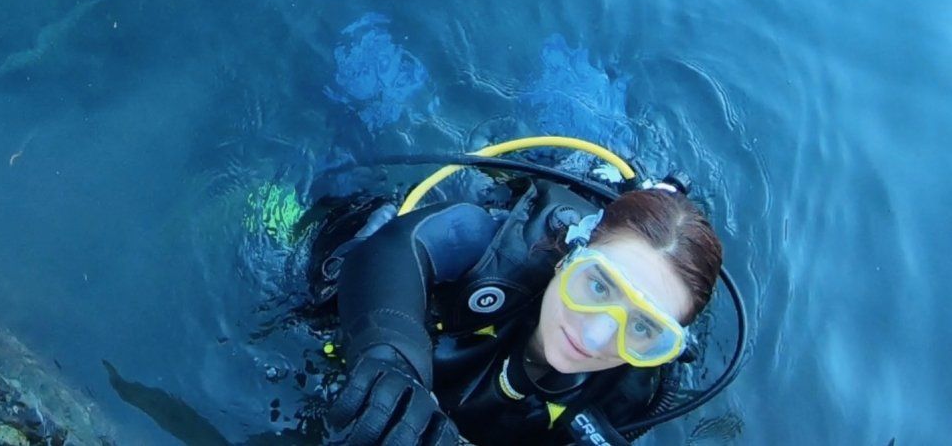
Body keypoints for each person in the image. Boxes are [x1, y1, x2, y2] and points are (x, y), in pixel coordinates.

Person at [311, 162, 728, 446]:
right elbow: (399, 247)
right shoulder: (492, 247)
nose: (596, 336)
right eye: (598, 287)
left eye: (643, 328)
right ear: (570, 256)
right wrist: (390, 356)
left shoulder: (625, 397)